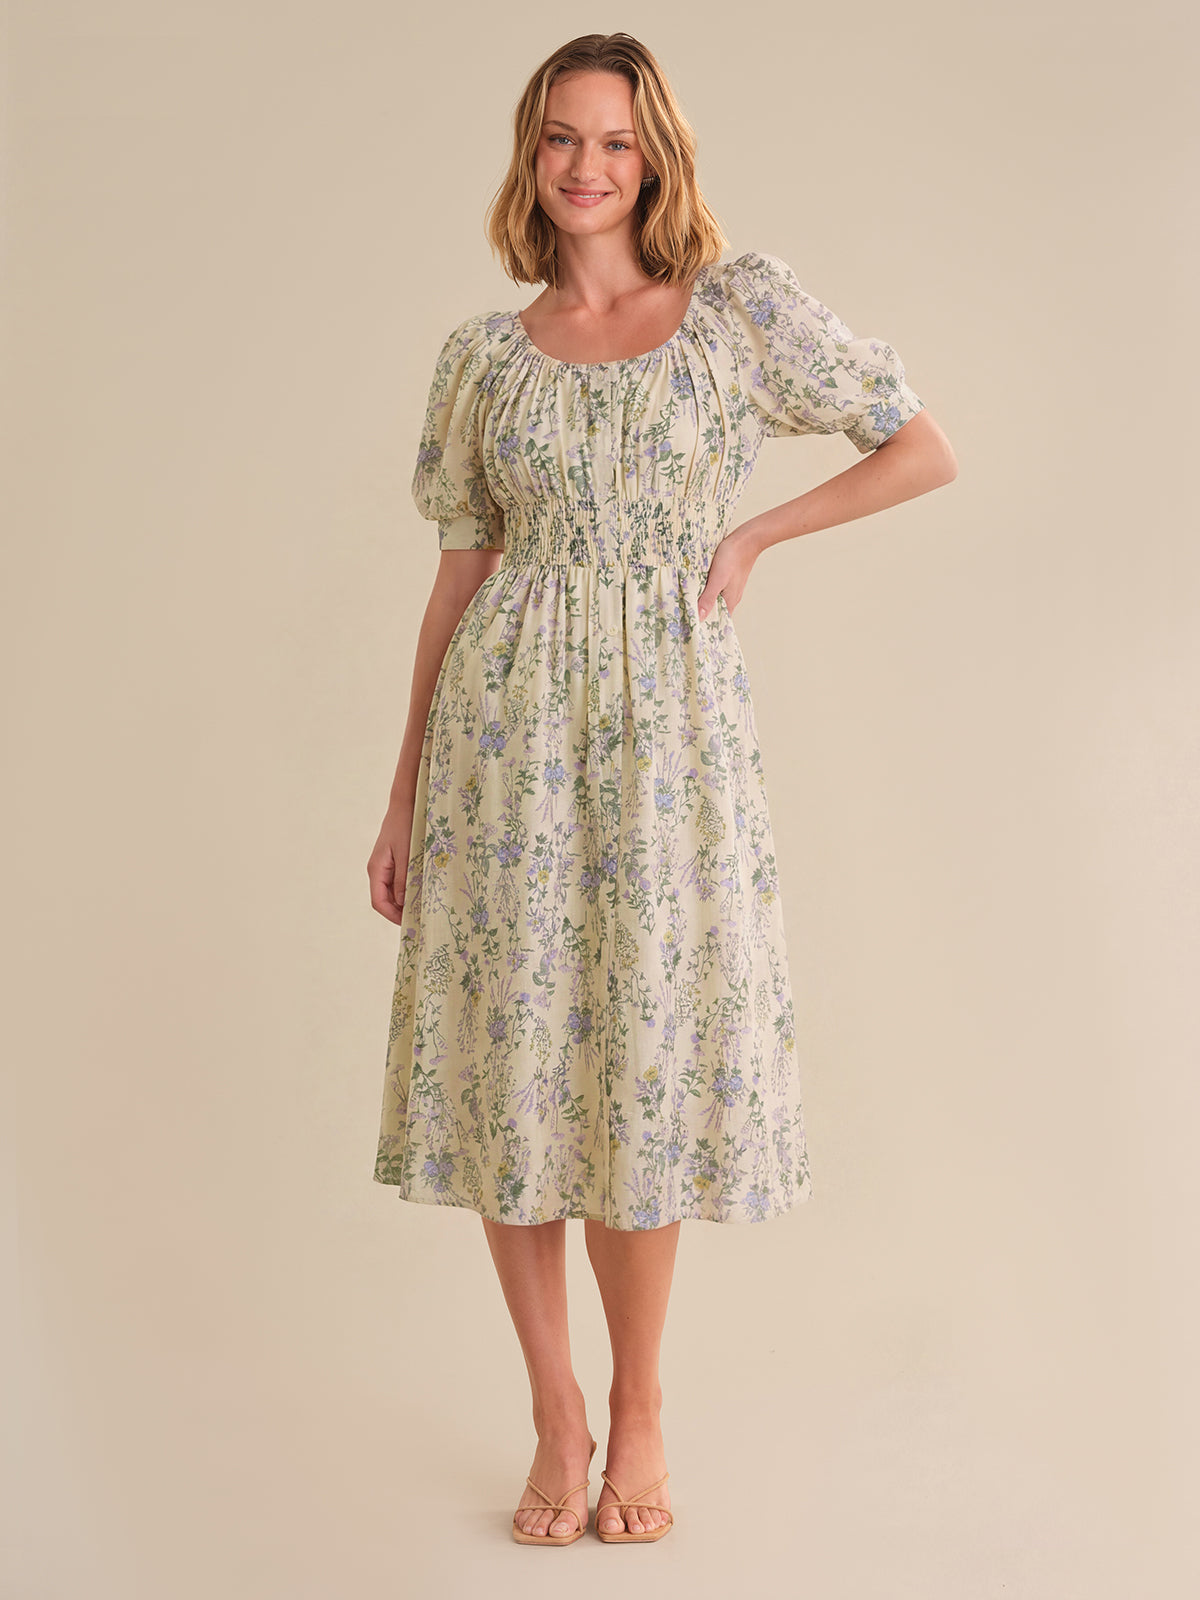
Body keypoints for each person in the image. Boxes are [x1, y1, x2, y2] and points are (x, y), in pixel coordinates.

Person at [366, 31, 957, 1547]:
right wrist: (403, 791)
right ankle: (556, 1413)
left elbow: (918, 445)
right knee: (512, 1069)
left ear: (657, 159)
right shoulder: (483, 358)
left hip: (670, 751)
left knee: (640, 1058)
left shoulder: (733, 314)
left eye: (615, 141)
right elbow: (459, 579)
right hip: (501, 749)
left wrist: (753, 535)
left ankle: (639, 1408)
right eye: (561, 138)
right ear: (530, 154)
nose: (586, 167)